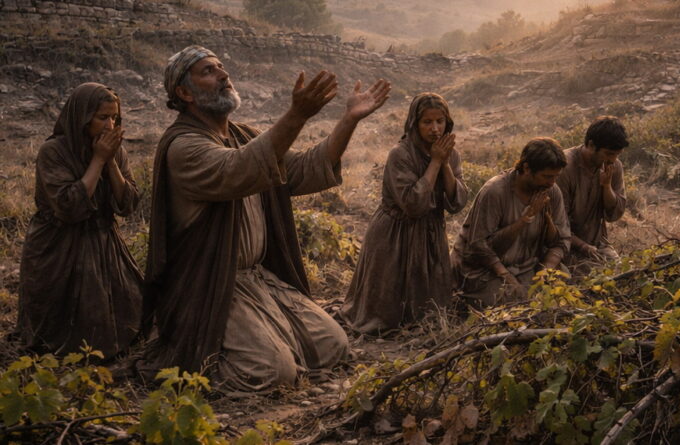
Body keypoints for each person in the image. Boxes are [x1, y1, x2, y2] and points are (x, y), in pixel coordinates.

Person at [143, 45, 390, 393]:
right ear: (184, 93)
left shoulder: (242, 135)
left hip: (258, 279)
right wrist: (297, 115)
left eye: (221, 66)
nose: (223, 75)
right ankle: (200, 361)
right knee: (271, 372)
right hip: (211, 284)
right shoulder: (184, 147)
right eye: (208, 71)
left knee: (333, 345)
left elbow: (302, 170)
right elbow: (240, 169)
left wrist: (348, 120)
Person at [16, 82, 144, 358]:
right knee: (57, 331)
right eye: (102, 118)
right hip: (59, 247)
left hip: (103, 244)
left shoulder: (115, 151)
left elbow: (127, 204)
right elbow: (69, 207)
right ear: (82, 117)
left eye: (115, 118)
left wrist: (110, 162)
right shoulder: (55, 152)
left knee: (130, 315)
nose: (110, 126)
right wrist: (97, 161)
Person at [341, 93, 468, 334]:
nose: (435, 129)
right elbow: (413, 204)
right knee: (387, 313)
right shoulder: (400, 154)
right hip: (395, 235)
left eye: (440, 122)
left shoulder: (450, 153)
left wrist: (445, 163)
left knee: (426, 314)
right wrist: (434, 163)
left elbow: (457, 203)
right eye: (427, 122)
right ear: (414, 123)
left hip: (429, 235)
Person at [451, 137, 570, 307]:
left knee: (562, 284)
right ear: (527, 168)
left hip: (527, 267)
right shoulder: (495, 191)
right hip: (486, 271)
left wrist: (545, 271)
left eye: (555, 177)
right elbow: (478, 245)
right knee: (511, 301)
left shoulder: (551, 191)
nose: (551, 183)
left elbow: (562, 241)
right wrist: (507, 277)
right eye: (546, 176)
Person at [556, 116, 628, 265]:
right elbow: (558, 223)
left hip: (597, 245)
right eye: (608, 153)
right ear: (591, 145)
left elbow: (614, 215)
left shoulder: (614, 166)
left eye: (617, 154)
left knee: (623, 275)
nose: (613, 160)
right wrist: (583, 246)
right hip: (562, 245)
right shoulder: (565, 167)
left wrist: (606, 187)